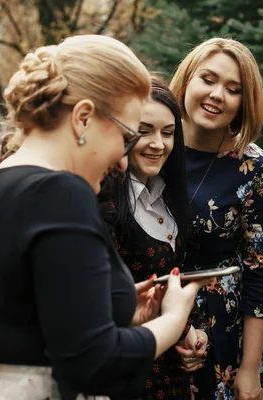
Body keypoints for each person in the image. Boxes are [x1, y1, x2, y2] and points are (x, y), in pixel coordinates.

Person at [0, 35, 205, 399]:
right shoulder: (61, 194)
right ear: (83, 117)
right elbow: (93, 364)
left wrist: (110, 307)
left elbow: (26, 320)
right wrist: (173, 320)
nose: (122, 160)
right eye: (126, 136)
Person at [169, 38, 263, 400]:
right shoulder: (153, 144)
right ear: (187, 80)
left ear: (244, 103)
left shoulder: (255, 169)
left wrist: (249, 367)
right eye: (208, 79)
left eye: (232, 89)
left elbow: (262, 268)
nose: (217, 95)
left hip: (222, 328)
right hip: (148, 315)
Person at [99, 77, 207, 399]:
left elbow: (172, 274)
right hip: (128, 366)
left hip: (168, 365)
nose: (158, 143)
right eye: (144, 130)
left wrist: (193, 330)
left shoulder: (166, 194)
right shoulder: (105, 200)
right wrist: (180, 325)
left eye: (168, 132)